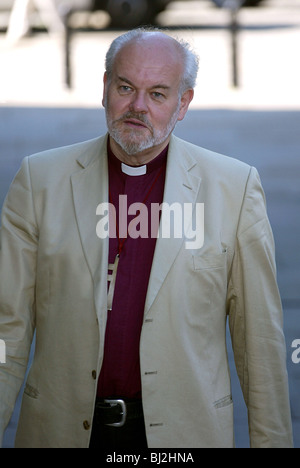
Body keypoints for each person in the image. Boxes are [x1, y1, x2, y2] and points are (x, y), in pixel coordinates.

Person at [0, 28, 293, 448]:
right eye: (125, 87)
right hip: (61, 432)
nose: (137, 107)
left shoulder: (235, 188)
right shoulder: (39, 181)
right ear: (105, 88)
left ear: (183, 103)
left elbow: (259, 343)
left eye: (158, 94)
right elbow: (4, 332)